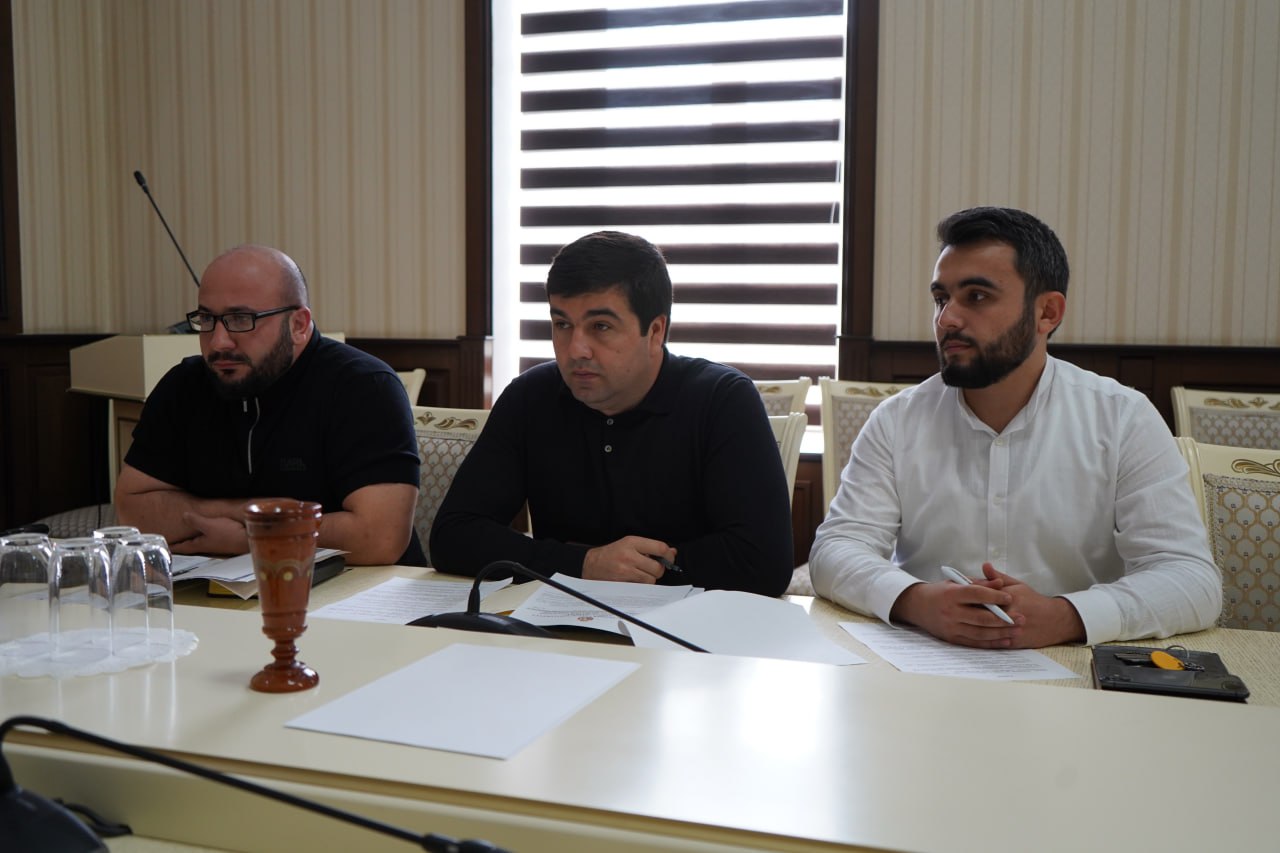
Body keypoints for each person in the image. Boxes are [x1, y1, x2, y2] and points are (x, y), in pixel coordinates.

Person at [809, 207, 1221, 648]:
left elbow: (1192, 580)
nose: (947, 319)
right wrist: (917, 600)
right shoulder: (897, 420)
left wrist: (1066, 616)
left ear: (1047, 312)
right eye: (941, 298)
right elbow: (836, 548)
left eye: (977, 297)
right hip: (924, 661)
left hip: (1074, 669)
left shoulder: (1122, 418)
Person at [430, 231, 794, 595]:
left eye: (600, 326)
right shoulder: (530, 396)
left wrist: (632, 571)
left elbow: (764, 562)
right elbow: (452, 536)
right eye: (562, 324)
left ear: (655, 331)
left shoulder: (722, 399)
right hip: (556, 621)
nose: (576, 349)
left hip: (693, 624)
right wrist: (584, 564)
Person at [115, 244, 424, 566]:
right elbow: (132, 511)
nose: (218, 341)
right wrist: (254, 515)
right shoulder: (184, 385)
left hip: (358, 588)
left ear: (298, 325)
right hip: (214, 586)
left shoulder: (363, 385)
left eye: (241, 319)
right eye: (207, 319)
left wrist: (250, 539)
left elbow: (380, 538)